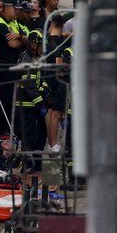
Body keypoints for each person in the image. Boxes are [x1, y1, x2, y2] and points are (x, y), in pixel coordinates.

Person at [0, 0, 28, 133]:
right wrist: (23, 41)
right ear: (7, 8)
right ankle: (4, 130)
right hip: (4, 68)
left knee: (14, 100)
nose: (17, 11)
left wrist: (21, 38)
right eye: (15, 8)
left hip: (14, 66)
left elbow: (28, 38)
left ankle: (11, 129)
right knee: (6, 100)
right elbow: (13, 44)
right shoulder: (0, 24)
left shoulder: (14, 24)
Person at [14, 30, 48, 169]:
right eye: (41, 46)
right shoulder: (26, 59)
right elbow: (29, 84)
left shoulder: (36, 58)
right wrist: (40, 103)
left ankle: (38, 165)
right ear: (34, 44)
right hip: (27, 107)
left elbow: (41, 80)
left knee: (40, 137)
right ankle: (29, 168)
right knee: (29, 139)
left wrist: (47, 93)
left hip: (34, 106)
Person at [44, 13, 72, 154]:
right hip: (58, 82)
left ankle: (51, 143)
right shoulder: (58, 44)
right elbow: (59, 66)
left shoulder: (50, 41)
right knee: (57, 113)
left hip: (48, 80)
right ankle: (53, 144)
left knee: (51, 113)